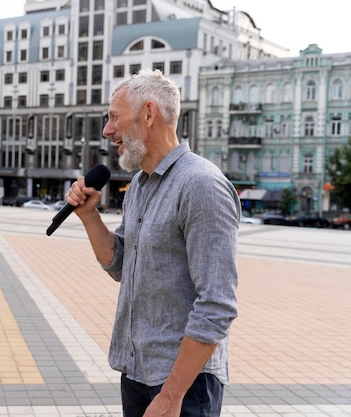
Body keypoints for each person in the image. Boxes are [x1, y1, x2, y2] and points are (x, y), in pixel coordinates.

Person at [65, 69, 240, 417]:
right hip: (137, 373)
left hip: (184, 385)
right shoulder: (141, 184)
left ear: (148, 113)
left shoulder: (200, 185)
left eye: (114, 117)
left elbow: (217, 304)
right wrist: (89, 215)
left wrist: (172, 395)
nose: (107, 130)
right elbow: (119, 264)